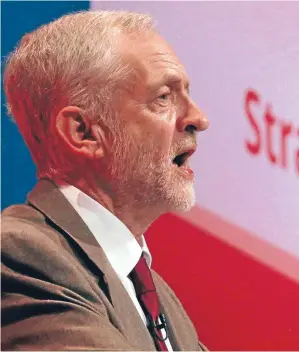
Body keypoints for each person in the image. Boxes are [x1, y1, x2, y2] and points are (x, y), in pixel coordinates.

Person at [1, 10, 209, 351]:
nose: (198, 119)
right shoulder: (21, 256)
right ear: (82, 132)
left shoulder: (161, 299)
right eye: (164, 97)